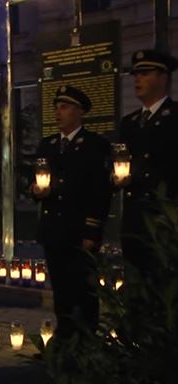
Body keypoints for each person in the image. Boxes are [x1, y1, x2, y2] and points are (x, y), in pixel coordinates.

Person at [32, 85, 111, 339]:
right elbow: (34, 181)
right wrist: (36, 190)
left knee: (84, 290)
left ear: (79, 112)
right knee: (62, 289)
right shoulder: (49, 145)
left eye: (64, 107)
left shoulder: (94, 145)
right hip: (54, 230)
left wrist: (92, 229)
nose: (58, 112)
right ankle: (65, 337)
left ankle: (86, 339)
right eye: (56, 107)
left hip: (79, 231)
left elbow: (99, 192)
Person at [115, 49, 178, 273]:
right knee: (137, 287)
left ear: (163, 77)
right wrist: (117, 178)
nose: (137, 79)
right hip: (135, 219)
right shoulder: (130, 122)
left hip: (164, 218)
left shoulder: (174, 116)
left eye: (145, 74)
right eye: (135, 74)